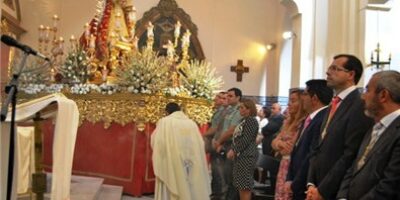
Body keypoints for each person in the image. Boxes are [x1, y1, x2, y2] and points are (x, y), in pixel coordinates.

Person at [306, 54, 374, 200]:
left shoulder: (359, 104)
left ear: (351, 74)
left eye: (335, 68)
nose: (328, 72)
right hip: (316, 185)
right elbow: (318, 145)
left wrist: (323, 190)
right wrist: (311, 183)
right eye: (330, 67)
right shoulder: (334, 102)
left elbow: (350, 154)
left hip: (335, 190)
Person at [337, 70, 400, 200]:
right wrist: (342, 197)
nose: (362, 96)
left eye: (367, 90)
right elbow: (355, 167)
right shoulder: (374, 127)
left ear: (383, 95)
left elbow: (390, 186)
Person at [151, 102, 211, 200]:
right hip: (191, 161)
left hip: (172, 160)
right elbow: (200, 143)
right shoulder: (191, 123)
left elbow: (157, 141)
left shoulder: (165, 122)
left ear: (167, 112)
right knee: (189, 183)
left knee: (173, 179)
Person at [285, 80, 333, 200]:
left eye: (305, 94)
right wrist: (289, 178)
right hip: (296, 181)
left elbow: (310, 155)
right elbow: (296, 150)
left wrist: (295, 183)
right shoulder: (310, 118)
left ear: (315, 98)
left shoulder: (322, 120)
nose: (302, 98)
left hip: (305, 185)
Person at [272, 89, 307, 200]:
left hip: (292, 166)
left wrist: (279, 146)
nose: (289, 104)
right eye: (289, 100)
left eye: (293, 101)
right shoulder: (288, 121)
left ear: (302, 102)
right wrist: (280, 144)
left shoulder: (304, 122)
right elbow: (274, 143)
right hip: (283, 165)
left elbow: (290, 149)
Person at [227, 99, 259, 200]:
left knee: (244, 185)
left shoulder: (251, 121)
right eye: (239, 107)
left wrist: (234, 150)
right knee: (241, 184)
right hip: (242, 155)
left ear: (249, 109)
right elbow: (237, 137)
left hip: (247, 155)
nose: (239, 109)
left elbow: (246, 139)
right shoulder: (244, 120)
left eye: (242, 107)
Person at [215, 87, 243, 200]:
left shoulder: (239, 110)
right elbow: (223, 128)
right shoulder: (229, 110)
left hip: (233, 146)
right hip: (226, 145)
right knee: (226, 177)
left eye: (231, 96)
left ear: (238, 97)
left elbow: (231, 130)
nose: (228, 98)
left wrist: (219, 141)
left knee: (231, 178)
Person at [204, 92, 228, 200]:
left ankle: (220, 196)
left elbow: (218, 128)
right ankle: (215, 194)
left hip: (219, 143)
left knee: (219, 173)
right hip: (215, 143)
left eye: (223, 98)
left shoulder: (225, 112)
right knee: (215, 172)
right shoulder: (219, 111)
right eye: (219, 97)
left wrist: (203, 135)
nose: (220, 100)